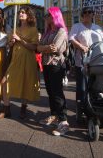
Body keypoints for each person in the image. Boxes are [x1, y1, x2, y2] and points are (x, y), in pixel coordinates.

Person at [0, 6, 40, 119]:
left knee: (26, 83)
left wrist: (20, 40)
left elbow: (34, 47)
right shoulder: (15, 28)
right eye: (20, 12)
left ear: (28, 15)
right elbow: (9, 45)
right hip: (15, 59)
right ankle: (6, 109)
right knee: (4, 82)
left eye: (23, 12)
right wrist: (12, 42)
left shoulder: (33, 29)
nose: (20, 14)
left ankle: (23, 109)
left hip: (28, 60)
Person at [37, 7, 69, 136]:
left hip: (56, 64)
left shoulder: (61, 31)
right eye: (45, 16)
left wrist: (43, 48)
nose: (45, 17)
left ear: (54, 16)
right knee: (50, 91)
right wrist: (45, 48)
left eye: (48, 15)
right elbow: (38, 48)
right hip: (46, 64)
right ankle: (54, 116)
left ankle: (64, 121)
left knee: (57, 93)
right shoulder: (47, 32)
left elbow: (55, 48)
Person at [69, 7, 103, 117]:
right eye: (85, 13)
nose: (88, 14)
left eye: (90, 12)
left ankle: (93, 107)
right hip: (82, 60)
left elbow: (102, 41)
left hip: (96, 60)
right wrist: (81, 46)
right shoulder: (77, 26)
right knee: (82, 87)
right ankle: (80, 108)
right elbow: (71, 38)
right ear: (82, 15)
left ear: (93, 15)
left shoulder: (97, 28)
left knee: (95, 86)